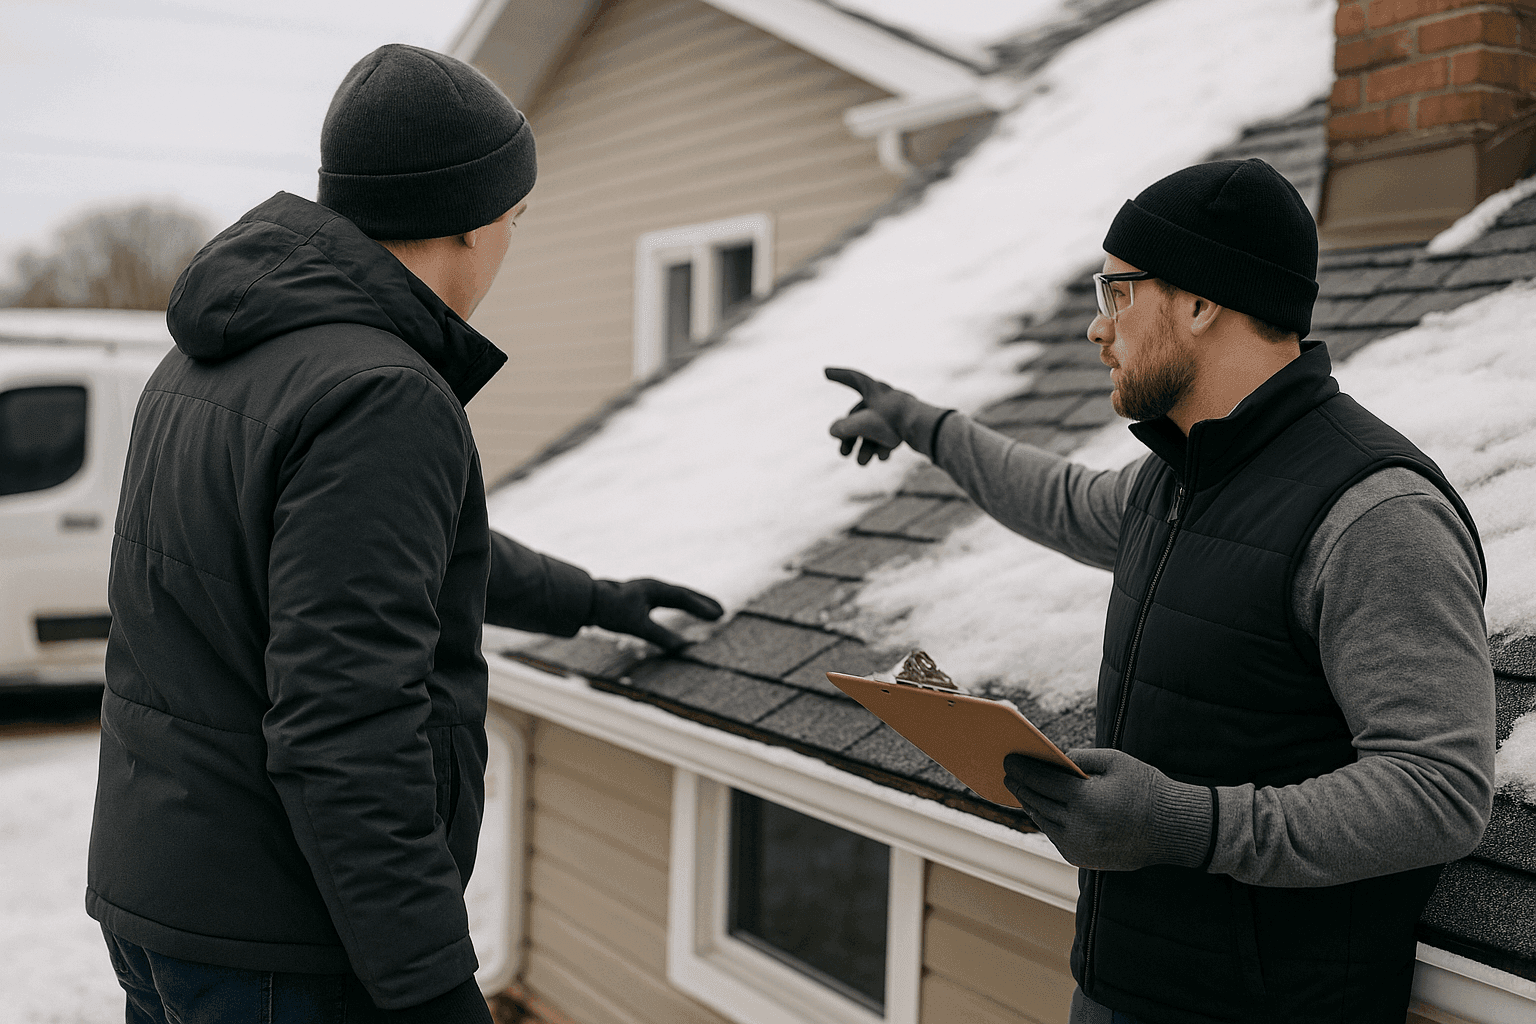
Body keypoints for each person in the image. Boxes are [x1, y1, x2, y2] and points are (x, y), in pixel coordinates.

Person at [88, 44, 722, 1024]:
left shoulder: (215, 352)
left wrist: (594, 599)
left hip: (163, 894)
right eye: (517, 218)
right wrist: (432, 987)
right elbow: (345, 728)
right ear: (469, 223)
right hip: (280, 938)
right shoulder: (381, 395)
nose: (514, 242)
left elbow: (379, 566)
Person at [826, 158, 1495, 1024]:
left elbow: (1439, 791)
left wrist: (1188, 824)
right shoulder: (1180, 480)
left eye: (1116, 295)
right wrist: (922, 424)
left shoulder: (1374, 514)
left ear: (1198, 302)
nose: (1098, 331)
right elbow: (1061, 500)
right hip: (1124, 983)